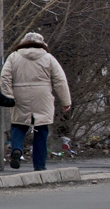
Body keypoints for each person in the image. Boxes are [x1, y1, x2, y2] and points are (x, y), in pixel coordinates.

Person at [1, 32, 72, 171]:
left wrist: (8, 96)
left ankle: (17, 150)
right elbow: (60, 80)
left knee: (18, 126)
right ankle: (40, 166)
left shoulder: (14, 57)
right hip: (42, 96)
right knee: (41, 130)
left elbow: (4, 77)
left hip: (20, 95)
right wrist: (66, 101)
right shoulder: (48, 58)